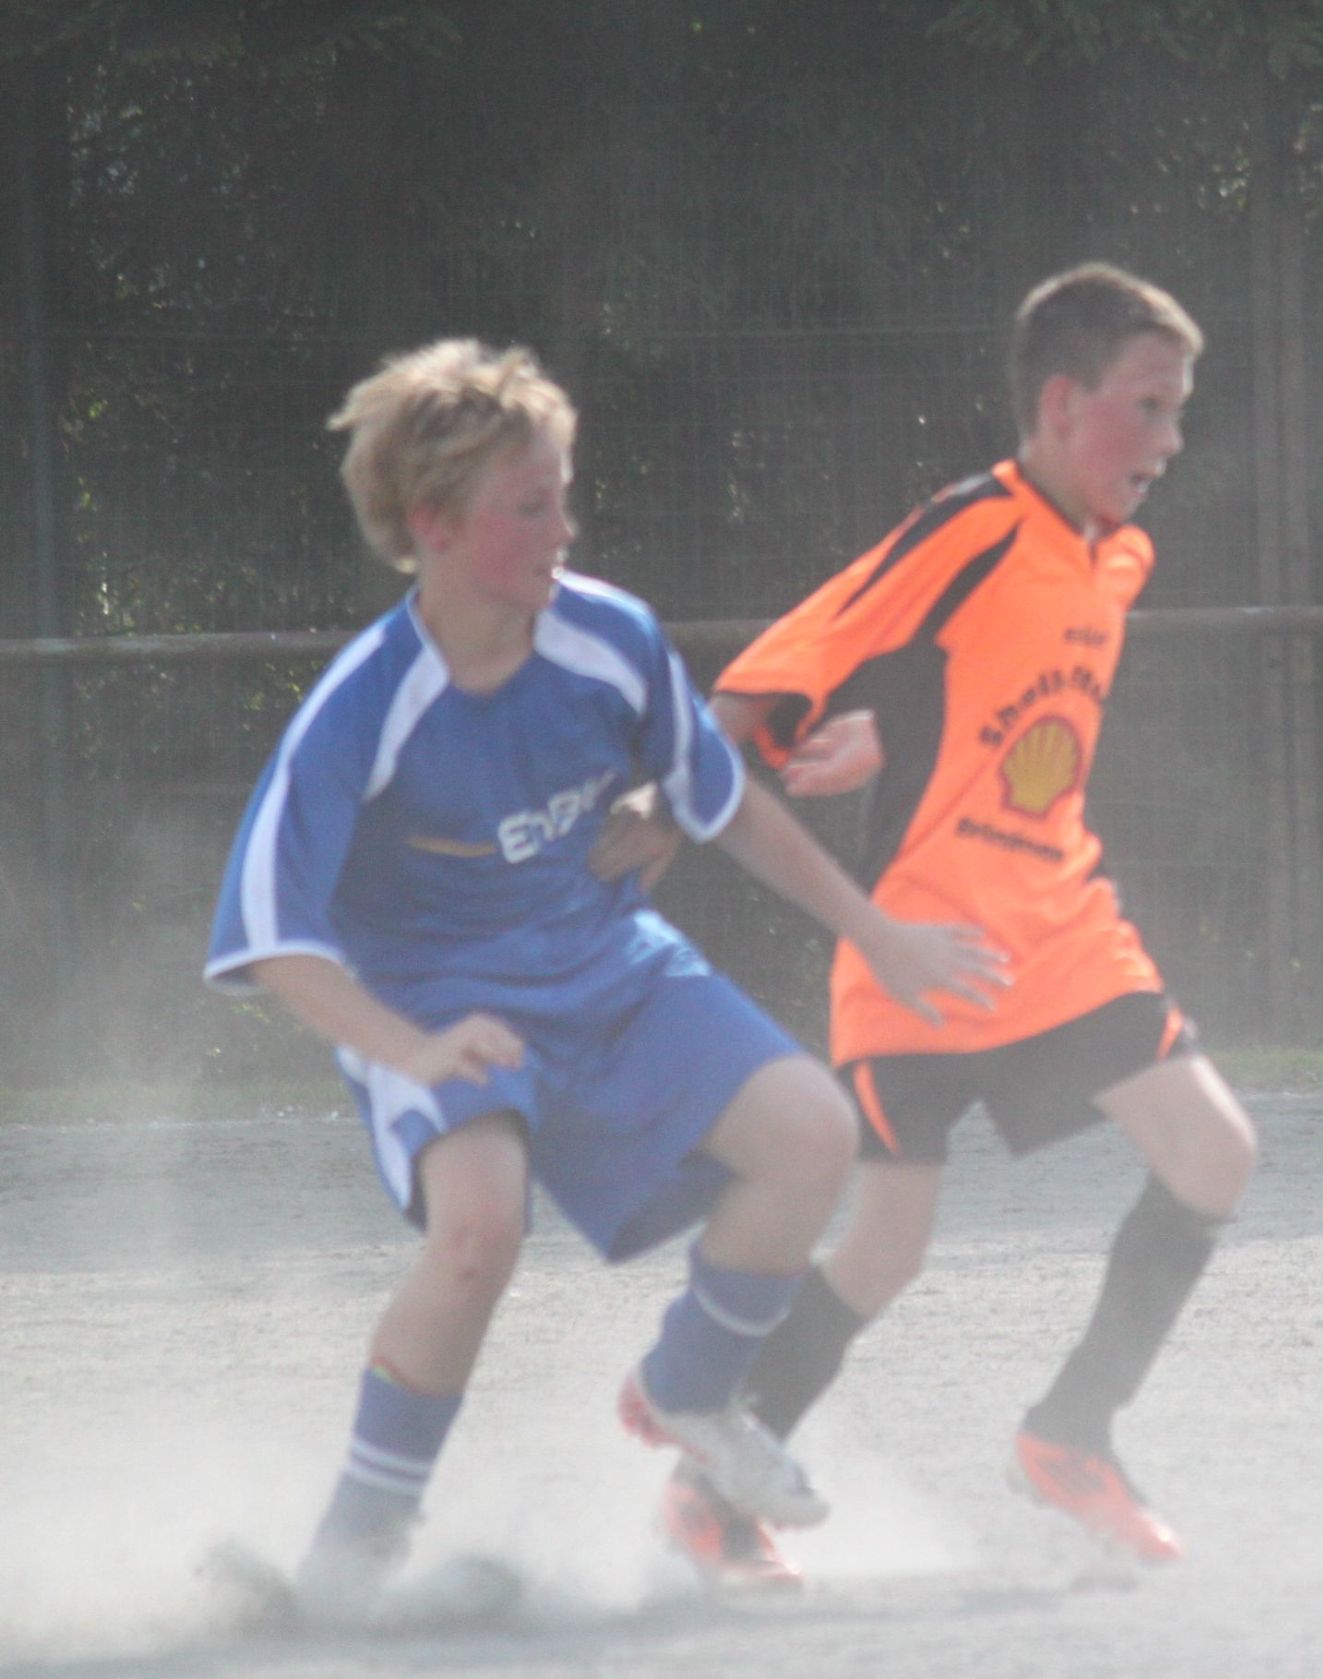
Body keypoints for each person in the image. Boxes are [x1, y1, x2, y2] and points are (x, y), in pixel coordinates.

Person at [203, 339, 1006, 1624]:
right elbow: (273, 935)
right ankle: (352, 1553)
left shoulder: (609, 635)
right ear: (433, 525)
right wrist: (410, 1050)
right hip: (436, 996)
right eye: (531, 505)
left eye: (563, 497)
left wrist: (878, 931)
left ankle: (691, 1391)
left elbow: (720, 802)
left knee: (811, 1132)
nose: (563, 530)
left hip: (603, 960)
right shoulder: (365, 705)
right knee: (479, 1229)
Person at [592, 263, 1259, 1587]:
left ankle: (1072, 1431)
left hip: (1062, 930)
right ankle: (707, 1491)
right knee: (885, 1248)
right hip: (921, 948)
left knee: (1215, 1153)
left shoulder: (1119, 554)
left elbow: (979, 690)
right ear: (1061, 403)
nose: (1172, 437)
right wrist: (674, 794)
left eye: (1180, 409)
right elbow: (803, 652)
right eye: (1148, 405)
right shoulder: (974, 523)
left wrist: (892, 735)